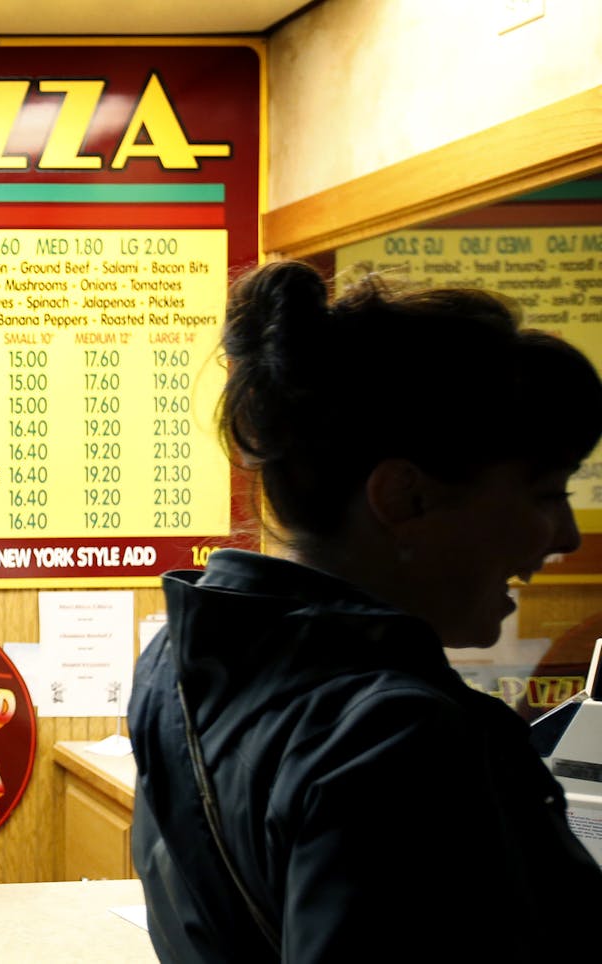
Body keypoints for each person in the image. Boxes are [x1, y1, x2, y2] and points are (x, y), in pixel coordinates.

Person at [128, 260, 602, 962]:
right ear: (404, 498)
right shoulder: (397, 739)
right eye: (543, 493)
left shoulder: (184, 658)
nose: (565, 536)